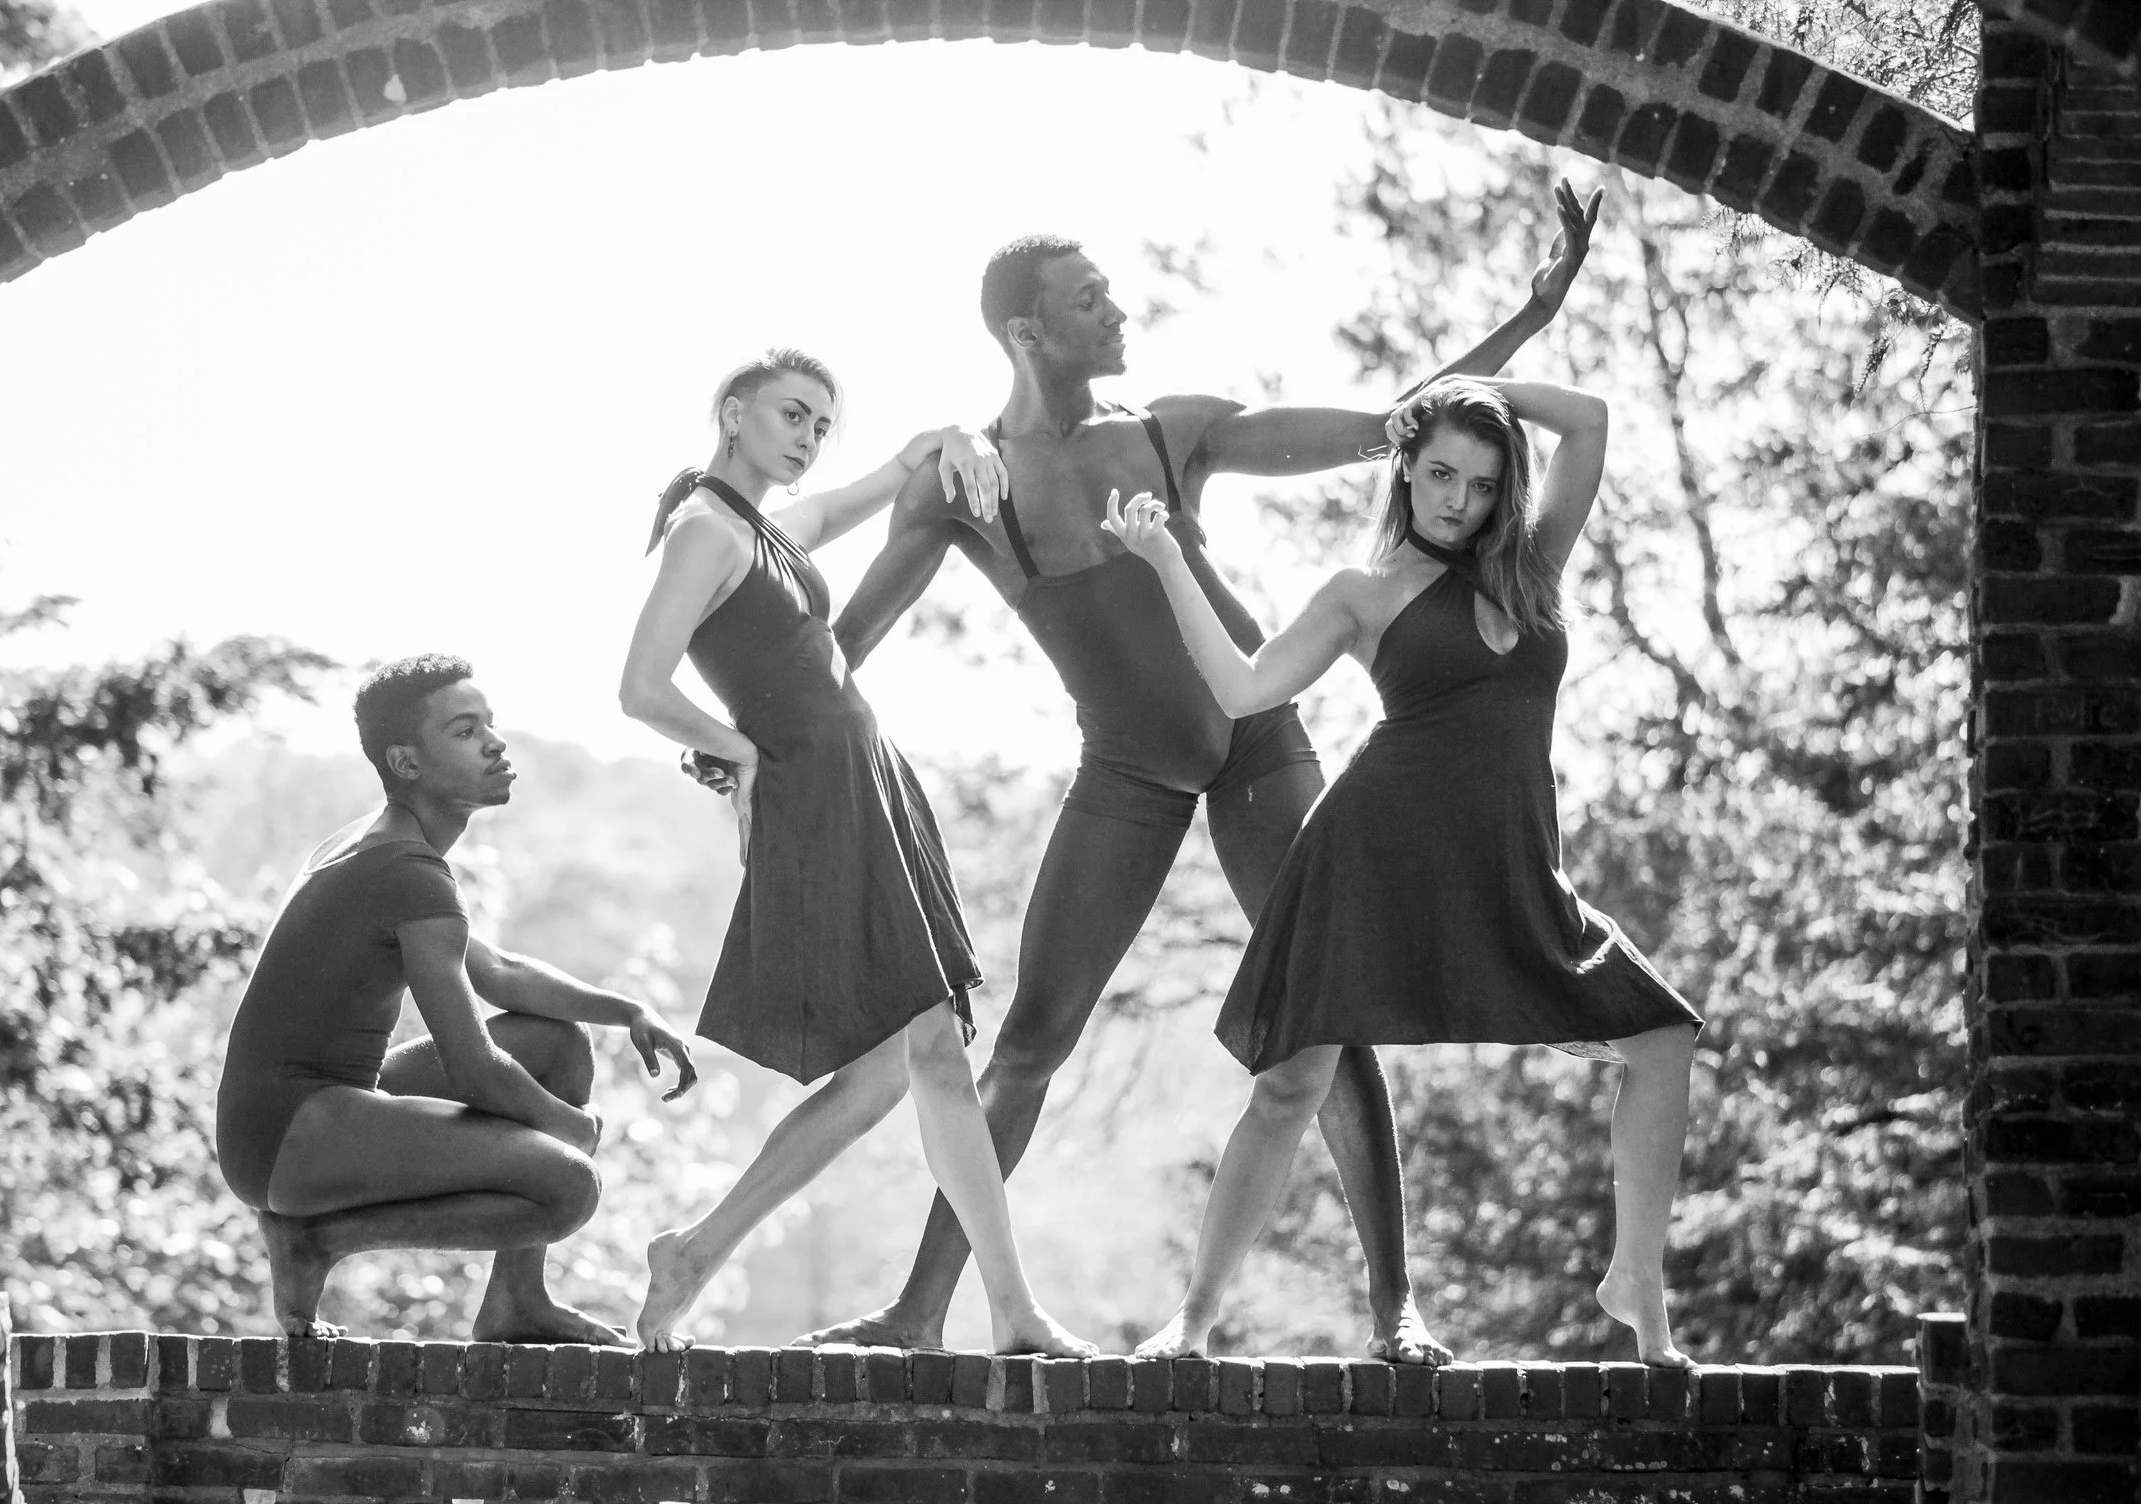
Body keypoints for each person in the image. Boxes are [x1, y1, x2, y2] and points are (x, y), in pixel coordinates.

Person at [800, 184, 1604, 1364]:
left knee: (1333, 1015)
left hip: (1258, 745)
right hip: (1125, 772)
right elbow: (843, 643)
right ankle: (917, 1312)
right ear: (1026, 331)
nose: (1116, 311)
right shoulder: (960, 486)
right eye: (1088, 300)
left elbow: (1391, 424)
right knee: (1026, 1041)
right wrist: (735, 730)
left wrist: (1528, 317)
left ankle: (1397, 1312)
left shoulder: (1173, 429)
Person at [1104, 374, 1702, 1366]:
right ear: (1404, 470)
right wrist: (1164, 557)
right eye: (1436, 473)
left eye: (1479, 481)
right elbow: (1244, 685)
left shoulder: (1529, 567)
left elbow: (1588, 420)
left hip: (1505, 865)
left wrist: (1464, 391)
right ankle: (1195, 1317)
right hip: (1371, 857)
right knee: (1291, 1085)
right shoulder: (1362, 592)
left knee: (1660, 1036)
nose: (1456, 499)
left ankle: (1635, 1277)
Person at [618, 348, 1091, 1357]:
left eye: (822, 424)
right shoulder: (704, 528)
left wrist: (948, 441)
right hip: (815, 798)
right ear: (732, 411)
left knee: (903, 1067)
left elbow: (874, 487)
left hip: (860, 786)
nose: (807, 436)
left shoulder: (764, 532)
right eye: (792, 414)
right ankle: (1008, 1309)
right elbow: (640, 686)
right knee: (925, 1056)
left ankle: (698, 1251)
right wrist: (744, 755)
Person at [215, 655, 699, 1341]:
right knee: (567, 1187)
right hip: (290, 1134)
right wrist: (571, 1128)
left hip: (306, 1113)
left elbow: (497, 972)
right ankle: (318, 1239)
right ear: (407, 763)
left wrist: (628, 1011)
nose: (496, 743)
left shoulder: (389, 846)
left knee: (557, 1041)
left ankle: (515, 1304)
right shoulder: (406, 870)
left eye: (490, 725)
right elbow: (472, 1066)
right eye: (467, 731)